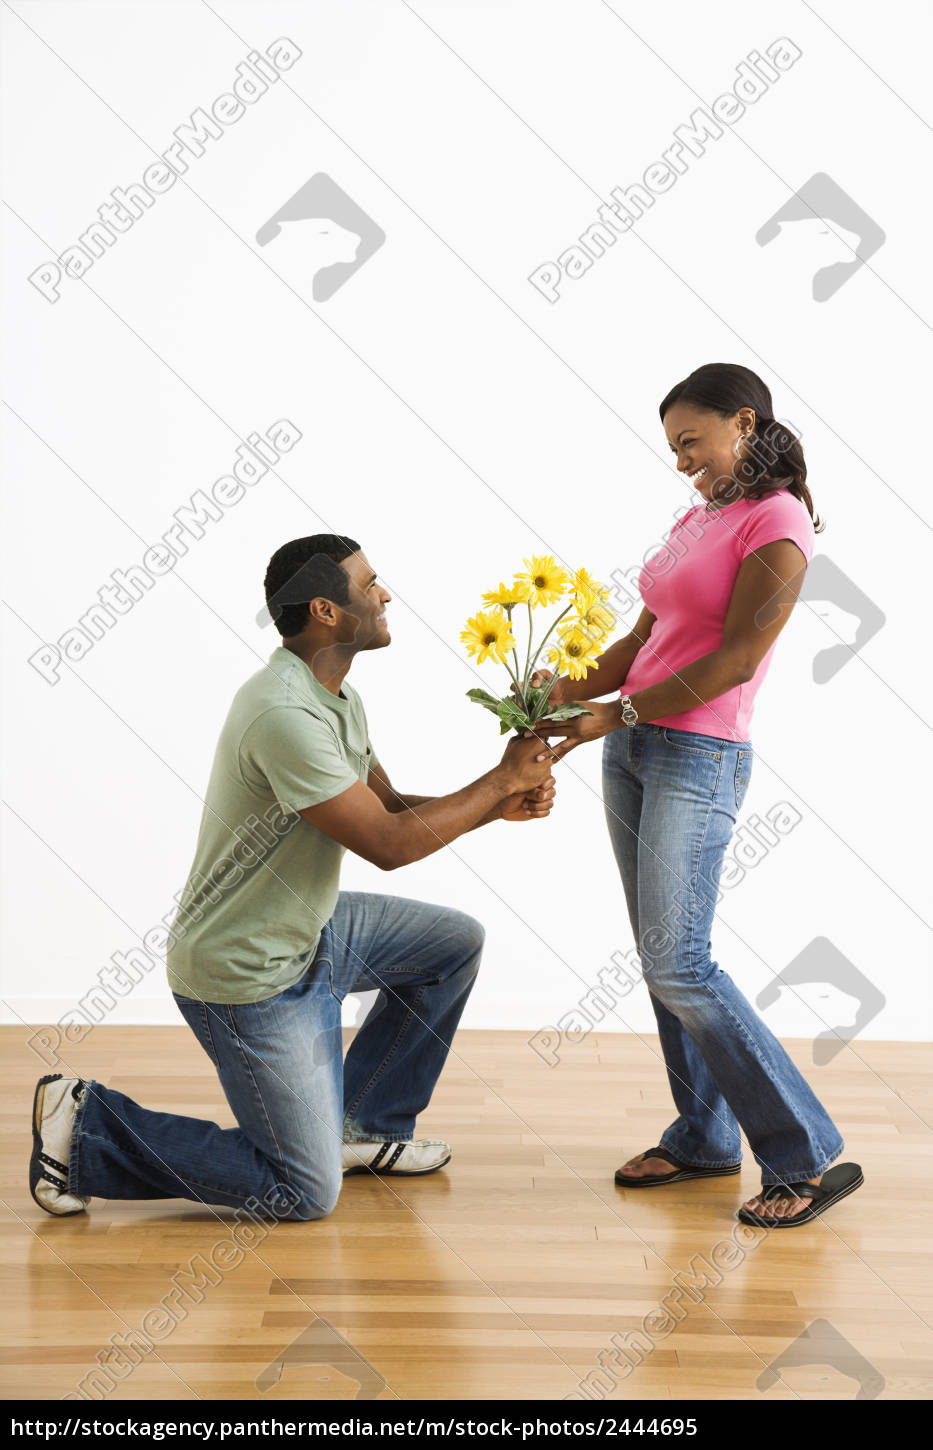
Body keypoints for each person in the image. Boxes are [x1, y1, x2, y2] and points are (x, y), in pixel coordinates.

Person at [30, 535, 556, 1222]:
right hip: (247, 970)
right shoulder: (284, 713)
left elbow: (386, 809)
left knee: (451, 945)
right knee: (302, 1192)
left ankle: (362, 1128)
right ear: (325, 612)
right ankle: (86, 1126)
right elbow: (388, 847)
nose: (386, 594)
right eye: (370, 585)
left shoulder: (336, 697)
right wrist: (499, 779)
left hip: (307, 928)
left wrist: (497, 805)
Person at [529, 363, 862, 1229]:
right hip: (632, 748)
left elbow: (735, 661)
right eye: (672, 447)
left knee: (682, 961)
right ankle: (704, 1135)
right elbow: (643, 638)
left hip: (697, 754)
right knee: (660, 959)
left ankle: (804, 1153)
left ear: (742, 424)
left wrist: (616, 712)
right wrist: (564, 692)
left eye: (691, 441)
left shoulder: (777, 522)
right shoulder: (695, 519)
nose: (680, 461)